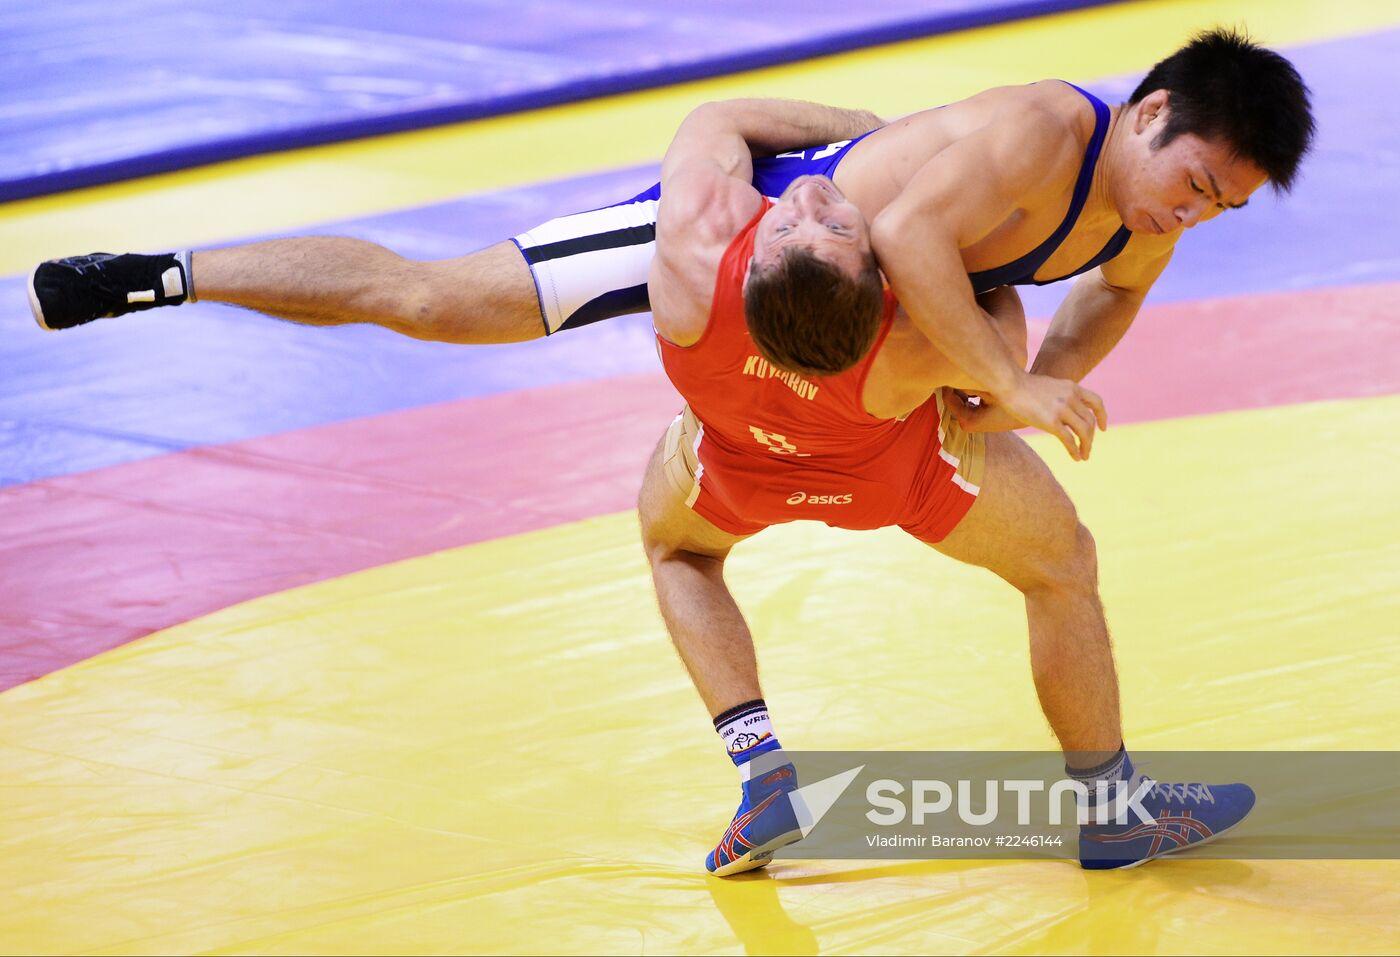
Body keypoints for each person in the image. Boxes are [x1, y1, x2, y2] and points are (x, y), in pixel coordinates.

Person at [28, 29, 1315, 461]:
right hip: (756, 228)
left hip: (861, 290)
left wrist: (1033, 387)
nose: (1186, 216)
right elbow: (914, 230)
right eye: (1191, 183)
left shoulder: (1148, 211)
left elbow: (1100, 311)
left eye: (1216, 208)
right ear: (1148, 113)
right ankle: (164, 275)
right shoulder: (1044, 132)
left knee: (1002, 414)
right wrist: (1006, 381)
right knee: (430, 304)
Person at [638, 93, 1252, 876]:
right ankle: (1109, 806)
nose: (812, 202)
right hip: (898, 460)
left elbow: (712, 121)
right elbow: (990, 345)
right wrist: (973, 275)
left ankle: (762, 776)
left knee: (675, 551)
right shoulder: (914, 331)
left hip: (736, 453)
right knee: (1061, 563)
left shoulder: (692, 253)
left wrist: (842, 150)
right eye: (823, 225)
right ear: (876, 272)